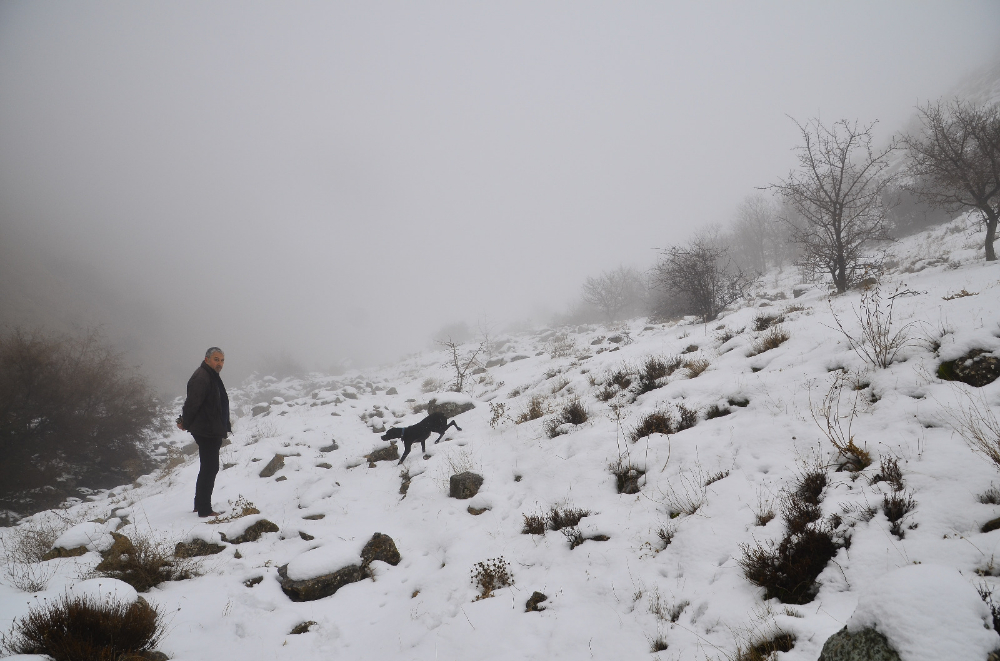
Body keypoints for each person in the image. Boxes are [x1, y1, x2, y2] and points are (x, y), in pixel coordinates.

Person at [177, 347, 231, 517]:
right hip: (206, 429)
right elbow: (192, 402)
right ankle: (204, 510)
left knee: (207, 467)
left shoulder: (210, 375)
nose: (220, 363)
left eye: (222, 360)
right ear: (207, 359)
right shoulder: (202, 377)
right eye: (216, 359)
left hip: (210, 428)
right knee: (210, 467)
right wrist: (185, 421)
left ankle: (199, 505)